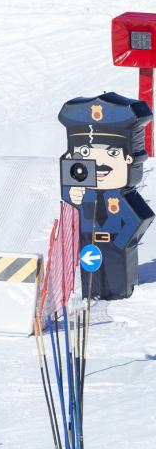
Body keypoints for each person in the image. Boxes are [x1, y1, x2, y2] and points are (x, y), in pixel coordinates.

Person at [59, 92, 155, 300]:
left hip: (114, 245)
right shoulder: (81, 191)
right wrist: (72, 196)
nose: (97, 162)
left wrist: (122, 242)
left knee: (115, 275)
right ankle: (92, 292)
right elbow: (69, 207)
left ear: (130, 159)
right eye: (85, 152)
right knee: (91, 276)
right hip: (88, 240)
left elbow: (141, 217)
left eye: (111, 153)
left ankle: (118, 291)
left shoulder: (120, 195)